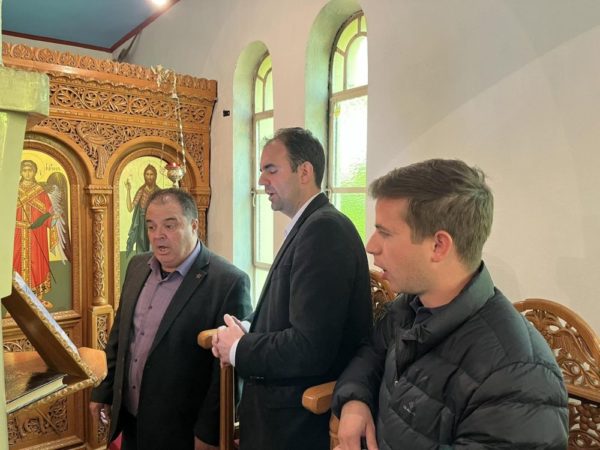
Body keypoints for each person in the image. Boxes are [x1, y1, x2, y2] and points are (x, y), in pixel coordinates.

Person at [331, 159, 569, 450]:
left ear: (438, 246)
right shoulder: (410, 306)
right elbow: (370, 352)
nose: (371, 245)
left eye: (386, 233)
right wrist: (355, 401)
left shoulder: (517, 377)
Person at [212, 127, 373, 450]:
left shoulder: (324, 230)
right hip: (280, 414)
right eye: (262, 171)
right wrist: (246, 328)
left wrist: (239, 349)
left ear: (305, 172)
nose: (262, 181)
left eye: (271, 170)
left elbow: (310, 347)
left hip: (295, 422)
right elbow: (291, 312)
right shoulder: (311, 225)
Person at [90, 188, 252, 450]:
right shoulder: (137, 266)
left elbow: (227, 373)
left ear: (194, 225)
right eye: (151, 226)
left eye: (169, 225)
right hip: (131, 419)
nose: (158, 235)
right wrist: (104, 390)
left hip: (182, 429)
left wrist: (209, 433)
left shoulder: (228, 282)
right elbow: (120, 337)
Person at [13, 160, 56, 300]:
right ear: (20, 172)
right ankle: (17, 298)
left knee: (37, 263)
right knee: (16, 262)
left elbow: (49, 213)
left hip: (36, 233)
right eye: (24, 170)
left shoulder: (41, 192)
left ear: (35, 172)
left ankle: (38, 298)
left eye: (30, 170)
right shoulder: (13, 190)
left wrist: (53, 219)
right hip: (17, 232)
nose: (27, 173)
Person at [125, 164, 160, 255]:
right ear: (144, 176)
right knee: (141, 245)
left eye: (151, 174)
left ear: (155, 176)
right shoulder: (141, 190)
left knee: (153, 244)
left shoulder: (158, 192)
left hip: (155, 222)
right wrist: (128, 190)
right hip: (141, 223)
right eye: (147, 174)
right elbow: (130, 208)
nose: (149, 177)